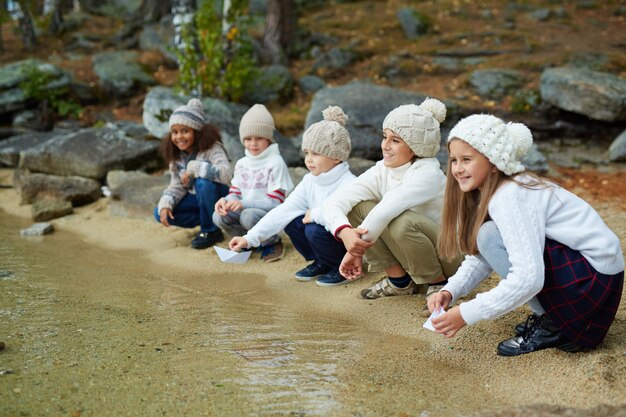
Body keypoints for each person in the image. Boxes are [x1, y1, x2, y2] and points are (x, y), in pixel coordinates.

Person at [429, 114, 624, 356]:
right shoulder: (497, 189)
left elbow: (528, 277)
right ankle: (554, 315)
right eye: (454, 160)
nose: (458, 169)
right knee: (488, 235)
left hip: (591, 284)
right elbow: (484, 255)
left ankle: (554, 322)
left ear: (492, 162)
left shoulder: (510, 196)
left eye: (467, 159)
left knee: (488, 234)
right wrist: (450, 291)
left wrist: (466, 314)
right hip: (591, 275)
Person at [322, 98, 461, 306]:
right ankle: (400, 281)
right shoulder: (382, 169)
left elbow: (387, 208)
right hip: (409, 252)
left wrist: (354, 250)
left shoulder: (428, 173)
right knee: (357, 209)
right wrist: (345, 232)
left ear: (416, 146)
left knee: (400, 220)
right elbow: (333, 203)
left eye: (395, 140)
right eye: (385, 137)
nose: (385, 146)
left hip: (449, 257)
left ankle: (438, 283)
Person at [229, 106, 356, 285]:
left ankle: (340, 266)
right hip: (323, 236)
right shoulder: (310, 180)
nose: (309, 159)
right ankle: (321, 261)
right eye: (307, 153)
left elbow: (343, 221)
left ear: (336, 157)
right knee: (291, 219)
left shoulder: (349, 183)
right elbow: (283, 210)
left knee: (312, 227)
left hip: (347, 243)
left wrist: (315, 215)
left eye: (316, 153)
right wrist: (249, 238)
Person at [213, 104, 294, 262]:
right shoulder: (242, 163)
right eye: (248, 139)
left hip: (267, 214)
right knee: (218, 216)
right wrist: (226, 200)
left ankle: (272, 241)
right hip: (246, 210)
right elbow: (235, 193)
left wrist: (244, 203)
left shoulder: (275, 162)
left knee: (248, 215)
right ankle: (246, 241)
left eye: (259, 138)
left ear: (268, 139)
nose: (253, 143)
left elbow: (276, 202)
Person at [154, 98, 233, 249]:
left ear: (196, 132)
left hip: (219, 197)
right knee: (159, 213)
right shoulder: (177, 155)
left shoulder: (212, 148)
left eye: (185, 131)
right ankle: (207, 219)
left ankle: (211, 230)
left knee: (203, 183)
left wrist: (196, 168)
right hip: (197, 199)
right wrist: (166, 204)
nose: (179, 137)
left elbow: (227, 174)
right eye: (175, 132)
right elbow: (177, 185)